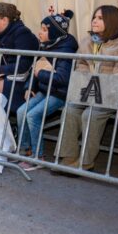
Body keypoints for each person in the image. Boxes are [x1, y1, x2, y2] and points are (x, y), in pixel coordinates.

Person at [56, 5, 118, 170]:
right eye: (94, 17)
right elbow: (81, 65)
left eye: (100, 18)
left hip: (111, 93)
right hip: (88, 90)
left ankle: (86, 161)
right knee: (70, 110)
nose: (94, 21)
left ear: (111, 21)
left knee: (90, 114)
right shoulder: (88, 41)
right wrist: (88, 83)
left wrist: (96, 87)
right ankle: (68, 157)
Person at [16, 10, 78, 169]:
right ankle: (24, 151)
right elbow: (34, 69)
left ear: (55, 32)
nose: (40, 32)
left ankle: (38, 156)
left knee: (32, 115)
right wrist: (30, 86)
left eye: (44, 29)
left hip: (59, 94)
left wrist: (40, 74)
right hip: (45, 89)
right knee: (21, 111)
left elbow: (62, 79)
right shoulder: (46, 46)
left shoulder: (66, 51)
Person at [0, 3, 40, 113]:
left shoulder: (22, 33)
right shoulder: (3, 34)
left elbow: (23, 66)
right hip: (12, 76)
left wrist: (0, 69)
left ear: (4, 20)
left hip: (24, 82)